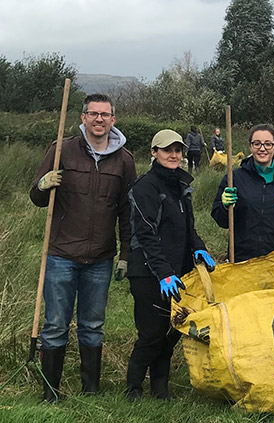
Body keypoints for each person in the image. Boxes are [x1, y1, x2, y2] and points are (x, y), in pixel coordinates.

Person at [30, 93, 136, 402]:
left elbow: (127, 212)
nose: (99, 119)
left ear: (113, 120)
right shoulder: (61, 151)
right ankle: (51, 393)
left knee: (92, 326)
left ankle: (91, 390)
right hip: (61, 254)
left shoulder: (125, 160)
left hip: (101, 258)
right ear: (83, 118)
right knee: (55, 326)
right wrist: (42, 184)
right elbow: (36, 198)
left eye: (105, 114)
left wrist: (126, 254)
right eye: (93, 114)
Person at [125, 129, 216, 401]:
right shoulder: (146, 187)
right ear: (154, 153)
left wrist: (198, 246)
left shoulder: (180, 186)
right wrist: (163, 273)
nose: (174, 155)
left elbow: (189, 227)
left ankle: (160, 389)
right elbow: (146, 235)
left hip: (177, 271)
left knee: (171, 332)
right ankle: (133, 388)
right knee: (152, 332)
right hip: (147, 271)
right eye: (167, 150)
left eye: (178, 150)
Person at [211, 124, 274, 264]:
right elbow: (222, 221)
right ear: (250, 146)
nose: (262, 148)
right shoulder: (234, 179)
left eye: (268, 144)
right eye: (257, 143)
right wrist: (224, 207)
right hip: (243, 261)